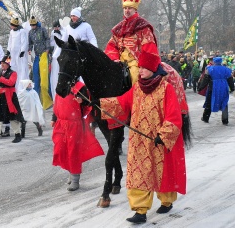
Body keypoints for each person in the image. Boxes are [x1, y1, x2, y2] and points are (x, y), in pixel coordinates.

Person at [96, 51, 187, 224]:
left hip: (158, 140)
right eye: (140, 67)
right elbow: (123, 103)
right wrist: (98, 103)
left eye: (144, 68)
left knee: (162, 172)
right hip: (139, 141)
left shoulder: (165, 88)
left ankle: (166, 200)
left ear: (153, 68)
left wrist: (164, 134)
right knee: (139, 173)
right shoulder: (137, 87)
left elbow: (174, 116)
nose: (141, 70)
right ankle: (140, 210)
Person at [51, 79, 104, 191]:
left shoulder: (81, 87)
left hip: (74, 124)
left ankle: (75, 178)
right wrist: (54, 118)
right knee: (60, 149)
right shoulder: (61, 85)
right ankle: (70, 171)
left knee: (73, 151)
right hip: (61, 123)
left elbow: (88, 103)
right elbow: (56, 102)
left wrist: (82, 101)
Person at [0, 55, 25, 146]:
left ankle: (17, 134)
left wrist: (1, 79)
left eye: (4, 63)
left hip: (10, 98)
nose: (2, 65)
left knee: (12, 117)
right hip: (0, 98)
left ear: (8, 64)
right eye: (1, 63)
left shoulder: (13, 73)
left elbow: (11, 83)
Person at [28, 16, 52, 109]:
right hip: (37, 55)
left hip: (44, 54)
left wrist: (47, 48)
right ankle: (37, 99)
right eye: (31, 25)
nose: (33, 26)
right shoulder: (30, 32)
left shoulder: (42, 30)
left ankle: (48, 99)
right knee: (35, 77)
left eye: (34, 25)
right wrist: (29, 49)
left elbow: (47, 39)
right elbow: (30, 42)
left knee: (44, 79)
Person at [201, 57, 234, 124]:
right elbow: (230, 79)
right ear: (221, 61)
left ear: (214, 61)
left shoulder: (210, 69)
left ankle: (205, 118)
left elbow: (206, 79)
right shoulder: (226, 69)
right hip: (223, 87)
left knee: (209, 101)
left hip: (213, 87)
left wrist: (201, 87)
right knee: (224, 102)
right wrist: (232, 88)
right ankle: (225, 120)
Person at [7, 17, 29, 91]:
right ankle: (14, 84)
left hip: (19, 53)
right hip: (13, 53)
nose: (11, 27)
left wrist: (22, 51)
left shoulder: (21, 31)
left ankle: (21, 85)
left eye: (12, 25)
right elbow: (10, 42)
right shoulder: (11, 32)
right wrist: (8, 50)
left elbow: (24, 41)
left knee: (21, 69)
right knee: (14, 67)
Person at [50, 20, 64, 101]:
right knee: (54, 74)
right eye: (55, 27)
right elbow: (52, 42)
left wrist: (60, 34)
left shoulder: (63, 32)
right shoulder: (53, 33)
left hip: (62, 53)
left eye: (57, 27)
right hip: (55, 54)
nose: (56, 28)